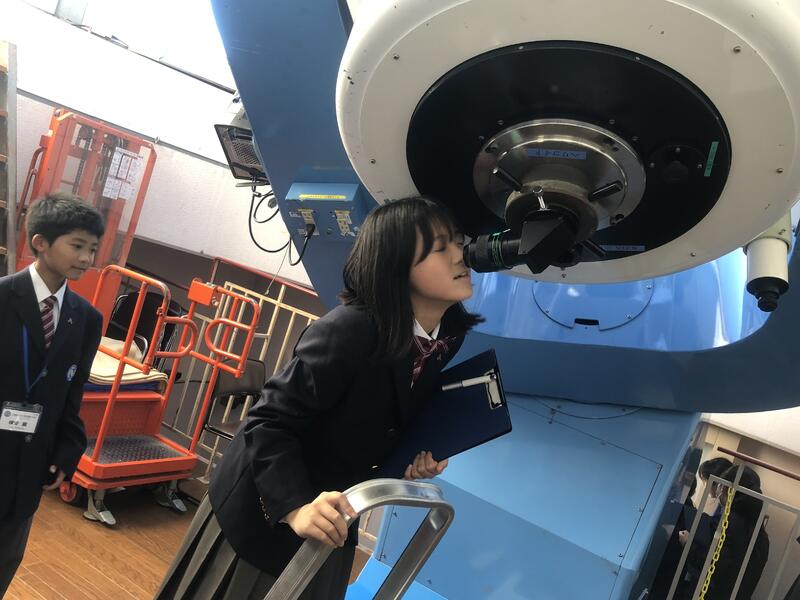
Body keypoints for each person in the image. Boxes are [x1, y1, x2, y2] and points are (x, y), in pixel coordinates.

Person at [157, 196, 482, 600]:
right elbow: (268, 421)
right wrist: (296, 507)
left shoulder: (447, 335)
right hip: (268, 506)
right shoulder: (348, 330)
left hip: (336, 509)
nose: (460, 255)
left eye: (458, 242)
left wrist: (415, 457)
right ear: (397, 266)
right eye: (440, 247)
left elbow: (390, 410)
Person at [0, 193, 104, 594]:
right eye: (77, 246)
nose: (86, 258)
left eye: (92, 249)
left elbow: (72, 395)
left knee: (6, 556)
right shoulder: (3, 298)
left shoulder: (86, 318)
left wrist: (66, 452)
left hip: (29, 465)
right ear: (40, 242)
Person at [702, 465, 769, 600]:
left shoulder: (728, 522)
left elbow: (715, 565)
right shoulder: (761, 534)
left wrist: (688, 545)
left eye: (720, 485)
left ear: (726, 488)